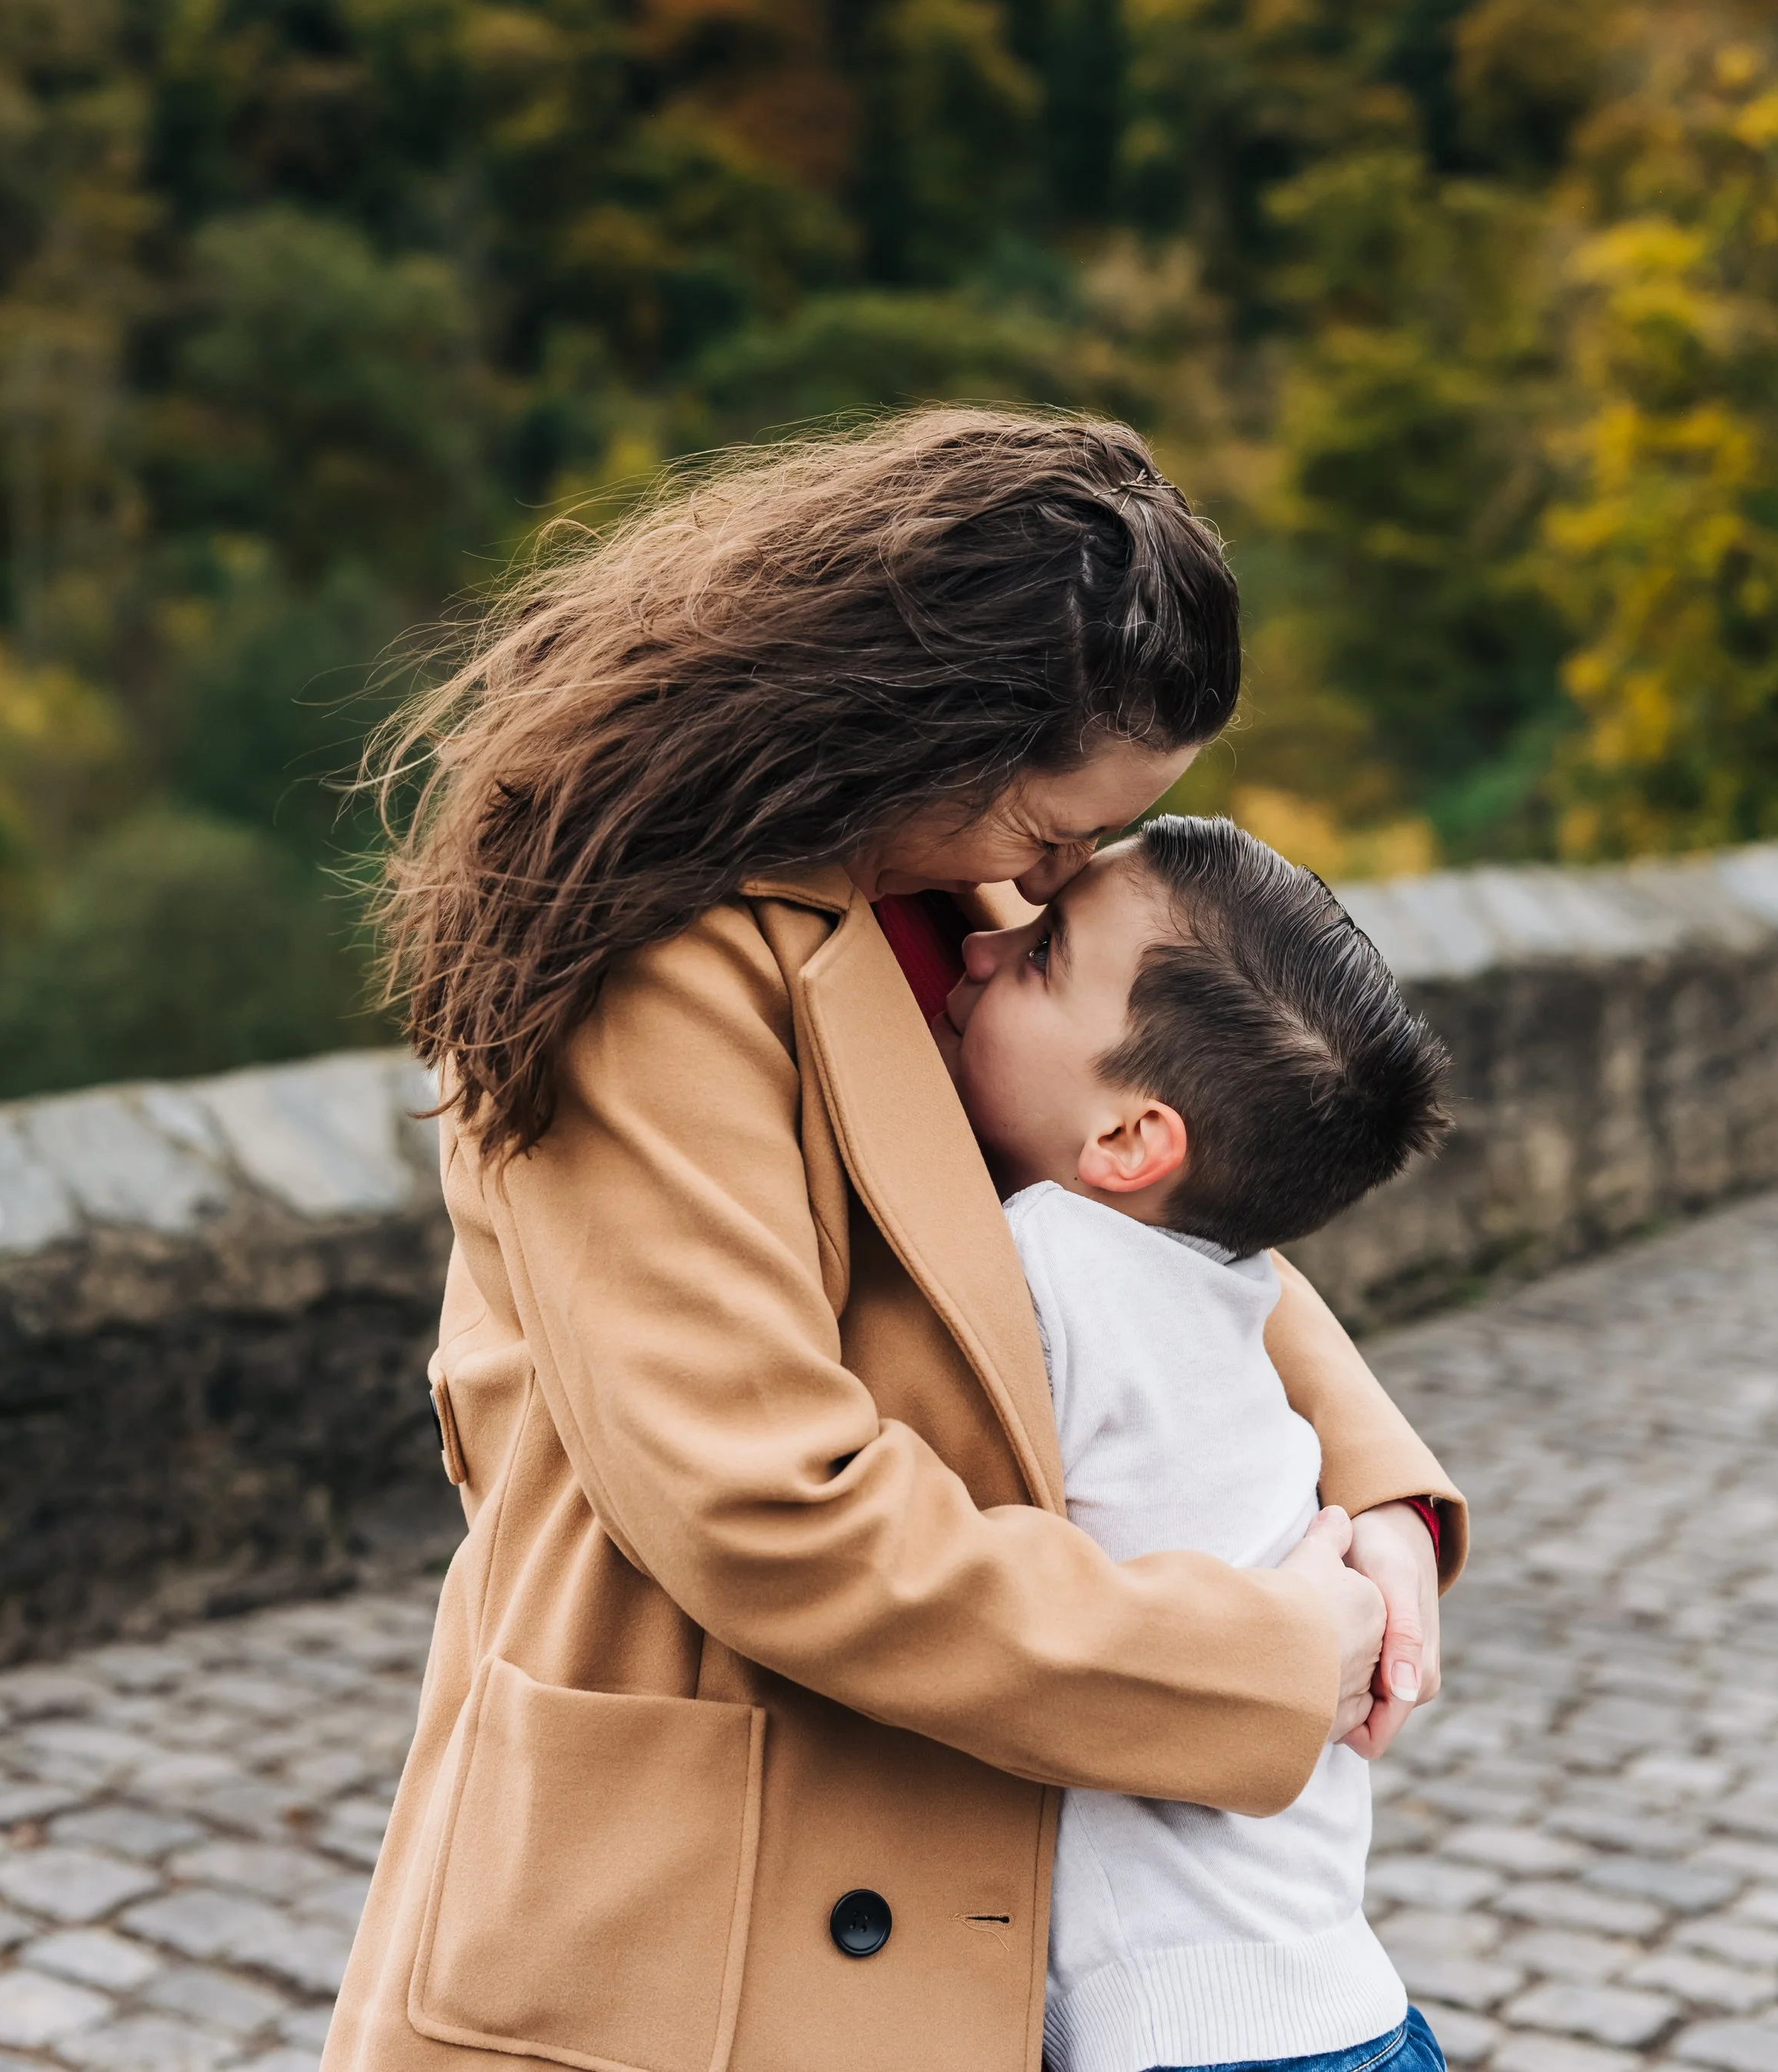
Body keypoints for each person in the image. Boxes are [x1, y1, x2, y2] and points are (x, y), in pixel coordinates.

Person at [323, 408, 1465, 2072]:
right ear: (922, 728)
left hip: (944, 1837)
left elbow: (1167, 1211)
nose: (1059, 877)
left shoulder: (957, 885)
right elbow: (768, 1511)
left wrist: (1371, 1493)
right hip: (710, 1853)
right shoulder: (650, 962)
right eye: (1057, 832)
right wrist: (1249, 1662)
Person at [942, 814, 1452, 2072]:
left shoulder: (1043, 1262)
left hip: (1193, 2038)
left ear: (1129, 1139)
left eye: (1045, 952)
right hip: (1336, 2000)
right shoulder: (1216, 1267)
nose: (986, 943)